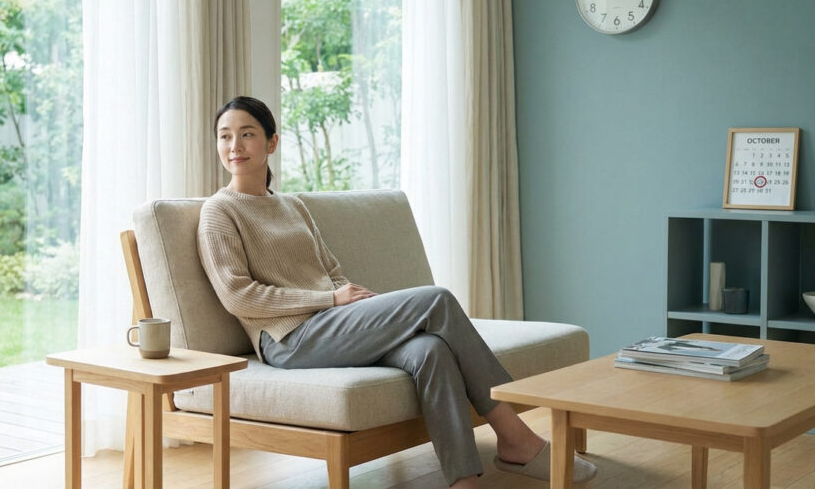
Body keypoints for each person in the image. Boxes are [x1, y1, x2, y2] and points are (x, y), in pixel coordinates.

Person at [196, 96, 596, 487]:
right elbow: (238, 295)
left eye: (246, 134)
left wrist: (360, 307)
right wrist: (330, 300)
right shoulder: (219, 212)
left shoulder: (292, 205)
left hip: (332, 323)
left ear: (271, 142)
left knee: (430, 351)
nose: (234, 146)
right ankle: (515, 436)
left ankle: (464, 480)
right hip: (287, 338)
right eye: (225, 136)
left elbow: (330, 270)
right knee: (436, 299)